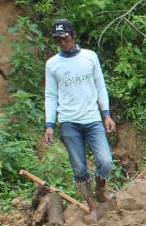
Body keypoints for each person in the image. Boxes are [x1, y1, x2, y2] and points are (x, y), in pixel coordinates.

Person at [44, 18, 116, 214]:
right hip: (68, 122)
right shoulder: (52, 64)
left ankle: (101, 189)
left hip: (92, 118)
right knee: (79, 169)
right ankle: (92, 207)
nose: (62, 43)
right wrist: (49, 124)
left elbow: (100, 86)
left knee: (106, 162)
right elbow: (50, 95)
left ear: (73, 36)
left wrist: (106, 114)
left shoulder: (90, 57)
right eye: (58, 40)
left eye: (65, 38)